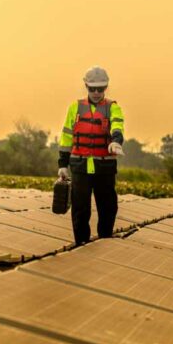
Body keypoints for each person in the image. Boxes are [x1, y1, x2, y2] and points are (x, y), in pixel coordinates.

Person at [57, 66, 125, 245]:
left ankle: (105, 239)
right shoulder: (75, 107)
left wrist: (116, 141)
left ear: (106, 88)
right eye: (92, 88)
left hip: (104, 167)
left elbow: (117, 126)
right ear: (85, 86)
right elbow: (66, 137)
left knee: (108, 206)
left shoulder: (113, 107)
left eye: (100, 88)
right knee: (80, 208)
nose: (96, 92)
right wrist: (62, 165)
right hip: (79, 166)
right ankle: (81, 243)